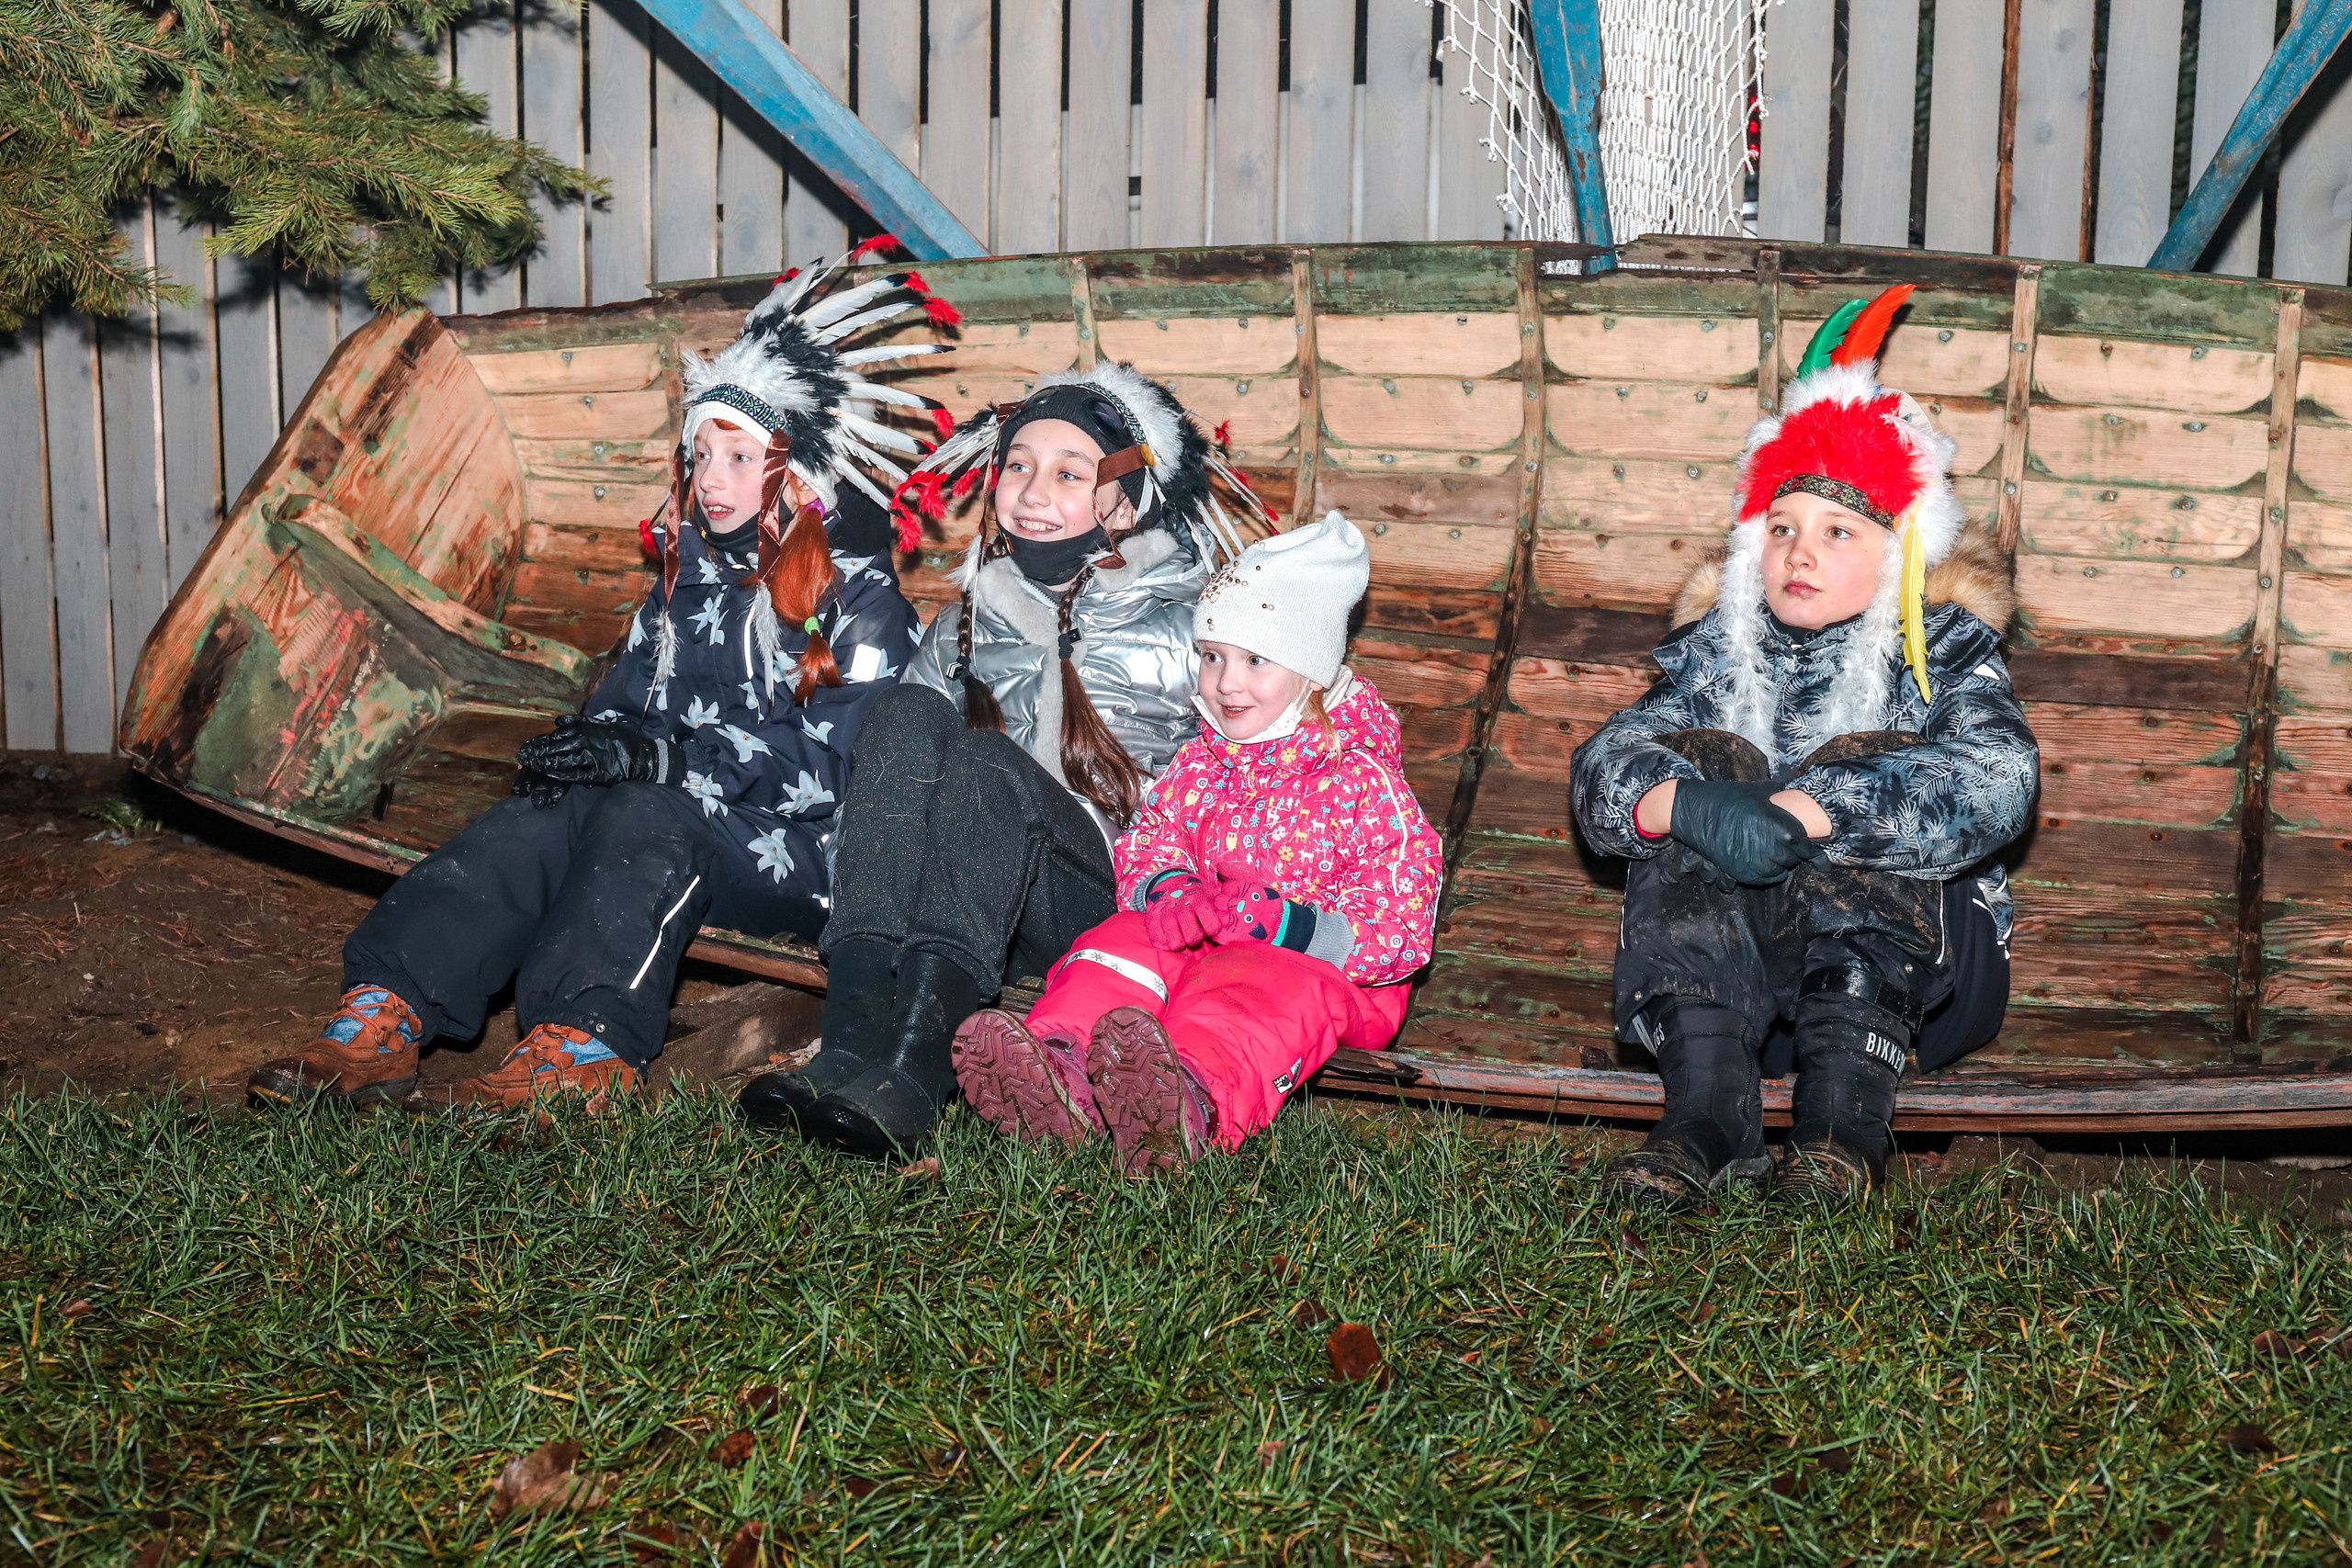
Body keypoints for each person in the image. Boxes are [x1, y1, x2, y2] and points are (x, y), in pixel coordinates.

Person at [243, 260, 950, 1112]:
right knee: (557, 804)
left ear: (794, 474)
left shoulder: (864, 605)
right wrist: (588, 743)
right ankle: (385, 1011)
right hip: (676, 815)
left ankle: (581, 1047)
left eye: (738, 456)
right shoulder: (683, 587)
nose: (711, 479)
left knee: (646, 805)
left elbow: (842, 769)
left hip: (811, 860)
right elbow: (625, 709)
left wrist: (660, 759)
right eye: (699, 455)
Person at [1568, 285, 2038, 1208]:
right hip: (1745, 994)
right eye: (1779, 529)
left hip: (1917, 987)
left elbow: (1999, 778)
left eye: (1835, 532)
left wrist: (1816, 807)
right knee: (1702, 768)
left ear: (1898, 551)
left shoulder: (1942, 649)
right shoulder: (1717, 650)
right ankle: (1707, 1115)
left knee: (1859, 761)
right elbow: (1601, 768)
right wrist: (1686, 806)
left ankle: (1843, 1127)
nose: (1798, 553)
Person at [735, 364, 1270, 1157]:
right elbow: (887, 784)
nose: (1032, 490)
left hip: (1098, 905)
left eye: (1068, 472)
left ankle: (915, 1071)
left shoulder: (1191, 626)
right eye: (1018, 465)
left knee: (989, 764)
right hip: (961, 892)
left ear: (1124, 496)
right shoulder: (965, 618)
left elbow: (1254, 770)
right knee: (909, 710)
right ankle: (851, 1036)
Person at [946, 511, 1442, 1175]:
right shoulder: (1201, 762)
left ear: (1312, 672)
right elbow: (1151, 841)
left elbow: (1401, 923)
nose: (1226, 682)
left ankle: (1186, 1098)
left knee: (1251, 985)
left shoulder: (1363, 783)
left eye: (1255, 660)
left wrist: (1285, 924)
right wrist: (1171, 892)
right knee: (1122, 942)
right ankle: (1057, 1064)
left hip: (1322, 970)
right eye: (1212, 657)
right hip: (1206, 938)